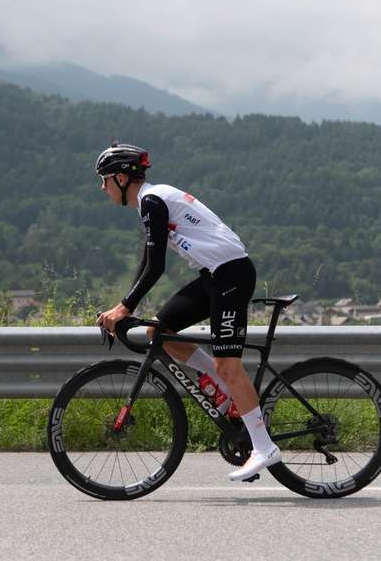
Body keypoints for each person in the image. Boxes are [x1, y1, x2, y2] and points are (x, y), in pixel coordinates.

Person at [94, 142, 281, 481]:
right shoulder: (151, 202)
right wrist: (123, 305)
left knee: (228, 365)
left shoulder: (152, 201)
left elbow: (156, 267)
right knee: (159, 332)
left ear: (121, 178)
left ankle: (264, 447)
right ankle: (226, 393)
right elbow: (147, 262)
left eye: (104, 179)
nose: (102, 187)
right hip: (214, 276)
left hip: (231, 275)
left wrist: (124, 307)